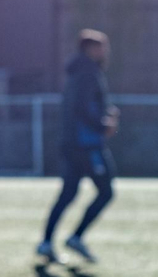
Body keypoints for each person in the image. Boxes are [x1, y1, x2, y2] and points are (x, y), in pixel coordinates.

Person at [38, 29, 120, 263]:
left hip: (72, 143)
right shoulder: (87, 73)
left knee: (69, 193)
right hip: (86, 146)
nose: (106, 52)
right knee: (106, 191)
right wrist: (103, 125)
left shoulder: (78, 72)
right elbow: (83, 108)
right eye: (101, 47)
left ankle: (46, 242)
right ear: (90, 49)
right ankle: (76, 237)